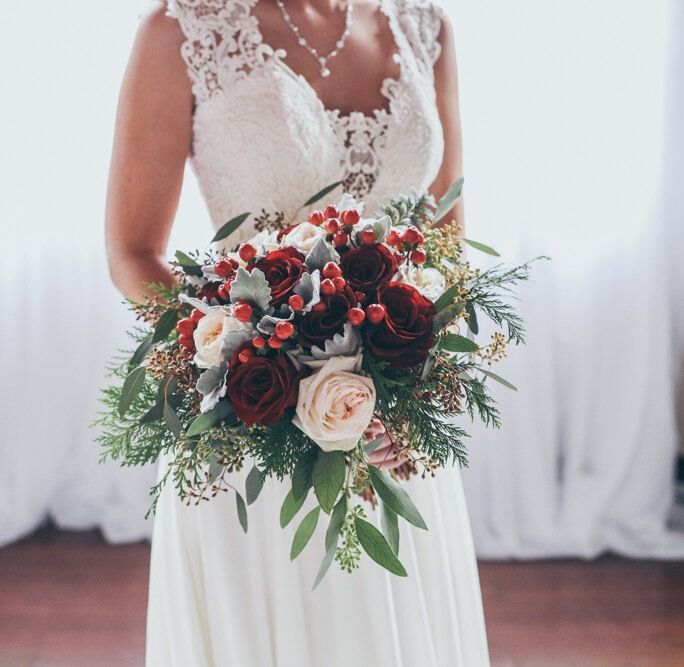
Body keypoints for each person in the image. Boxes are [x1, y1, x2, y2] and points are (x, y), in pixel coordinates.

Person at [105, 1, 489, 664]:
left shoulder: (427, 27)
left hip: (393, 425)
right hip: (251, 415)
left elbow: (446, 239)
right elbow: (133, 252)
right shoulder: (182, 29)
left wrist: (412, 385)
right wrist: (243, 350)